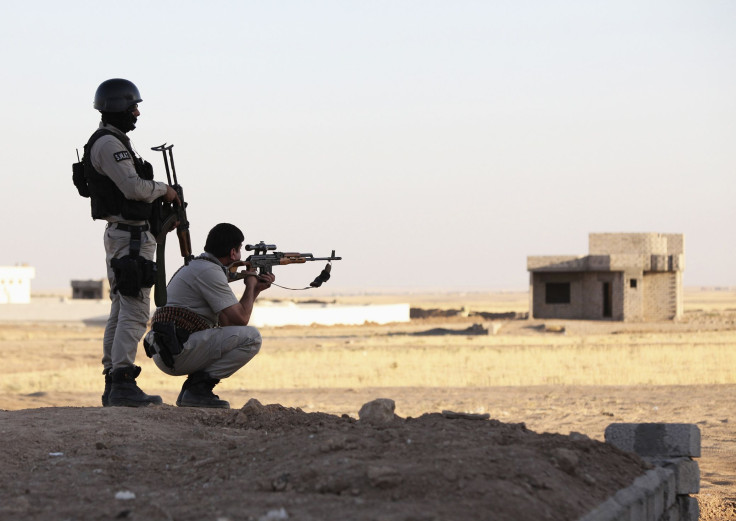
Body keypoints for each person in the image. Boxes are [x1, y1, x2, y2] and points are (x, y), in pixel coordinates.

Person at [82, 78, 180, 407]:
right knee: (136, 310)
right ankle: (122, 380)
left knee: (121, 308)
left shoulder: (111, 141)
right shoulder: (109, 144)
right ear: (118, 108)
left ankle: (114, 381)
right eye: (133, 106)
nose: (137, 112)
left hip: (126, 234)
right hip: (131, 238)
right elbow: (133, 188)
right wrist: (165, 190)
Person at [143, 223, 275, 408]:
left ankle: (193, 391)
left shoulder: (200, 266)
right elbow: (240, 320)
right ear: (232, 253)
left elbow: (228, 322)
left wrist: (255, 290)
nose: (240, 257)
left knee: (240, 335)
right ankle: (198, 389)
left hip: (168, 349)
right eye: (239, 251)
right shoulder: (210, 272)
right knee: (252, 338)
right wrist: (251, 284)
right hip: (176, 350)